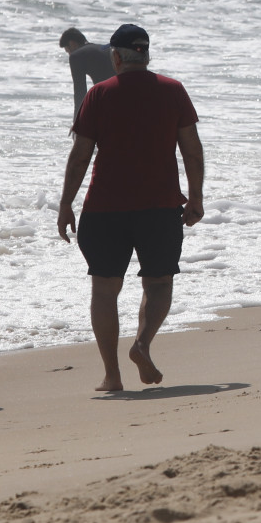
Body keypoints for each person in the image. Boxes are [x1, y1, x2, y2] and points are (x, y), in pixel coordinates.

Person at [56, 24, 204, 392]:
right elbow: (191, 149)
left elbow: (79, 157)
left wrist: (65, 204)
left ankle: (112, 375)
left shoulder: (99, 95)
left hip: (104, 208)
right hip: (158, 206)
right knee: (158, 283)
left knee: (105, 289)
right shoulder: (173, 91)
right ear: (147, 54)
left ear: (116, 57)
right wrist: (196, 196)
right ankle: (142, 344)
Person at [60, 27, 114, 113]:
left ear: (72, 44)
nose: (69, 54)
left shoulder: (76, 56)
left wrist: (77, 122)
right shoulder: (106, 49)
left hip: (108, 100)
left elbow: (80, 92)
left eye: (68, 51)